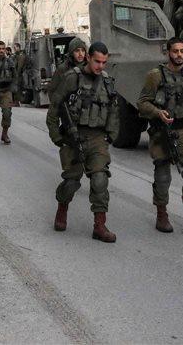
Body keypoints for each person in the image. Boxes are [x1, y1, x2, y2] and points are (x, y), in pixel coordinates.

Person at [46, 42, 119, 242]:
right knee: (71, 182)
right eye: (97, 61)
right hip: (73, 136)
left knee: (100, 179)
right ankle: (62, 207)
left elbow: (113, 110)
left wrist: (111, 135)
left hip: (96, 138)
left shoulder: (107, 81)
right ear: (88, 57)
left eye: (104, 62)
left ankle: (100, 225)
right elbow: (54, 108)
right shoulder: (71, 78)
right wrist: (57, 137)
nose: (100, 66)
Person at [136, 37, 183, 236]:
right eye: (175, 51)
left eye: (182, 51)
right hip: (162, 131)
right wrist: (158, 113)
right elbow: (142, 103)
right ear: (168, 52)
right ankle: (162, 214)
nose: (179, 55)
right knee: (162, 174)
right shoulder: (155, 76)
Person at [46, 37, 87, 103]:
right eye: (77, 51)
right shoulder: (63, 68)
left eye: (83, 50)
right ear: (71, 52)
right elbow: (52, 90)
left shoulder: (88, 67)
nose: (80, 54)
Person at [13, 42, 27, 107]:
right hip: (18, 74)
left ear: (18, 47)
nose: (14, 49)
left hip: (19, 74)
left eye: (15, 48)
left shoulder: (21, 55)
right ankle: (16, 101)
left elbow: (20, 66)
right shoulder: (17, 55)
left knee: (18, 88)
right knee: (16, 88)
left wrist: (17, 74)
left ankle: (17, 102)